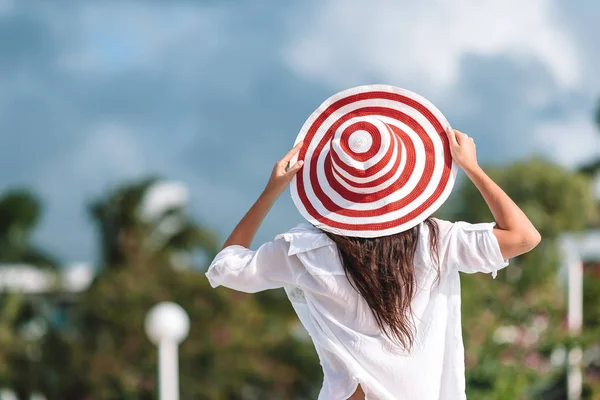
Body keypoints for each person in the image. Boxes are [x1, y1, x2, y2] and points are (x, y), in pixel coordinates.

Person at [205, 87, 541, 399]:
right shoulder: (437, 242)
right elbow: (524, 237)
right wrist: (472, 167)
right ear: (406, 177)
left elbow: (225, 267)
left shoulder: (307, 251)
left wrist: (271, 191)